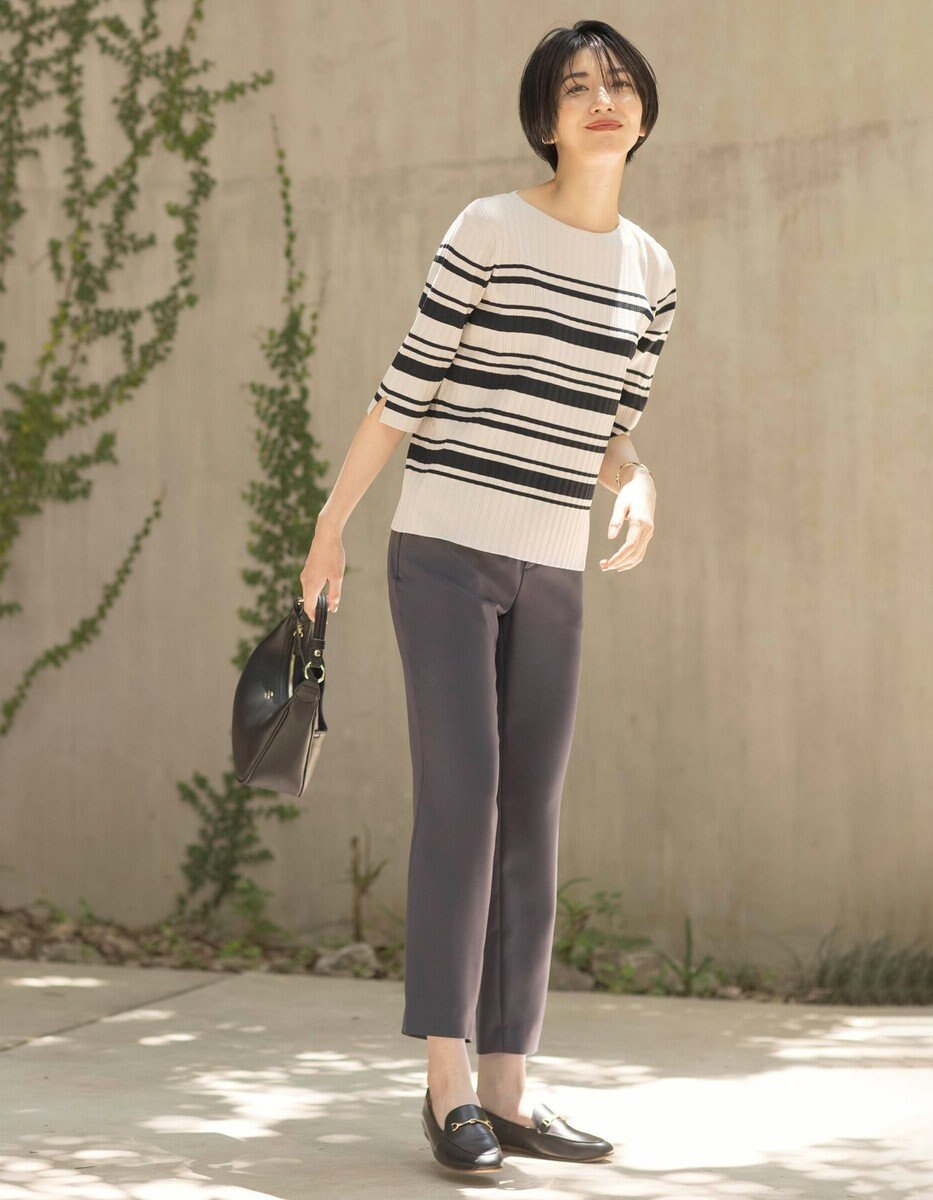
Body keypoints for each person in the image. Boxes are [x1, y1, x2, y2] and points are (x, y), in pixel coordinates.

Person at [300, 18, 677, 1173]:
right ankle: (446, 1084)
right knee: (464, 806)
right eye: (577, 87)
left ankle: (511, 1089)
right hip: (444, 555)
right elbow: (406, 387)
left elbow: (609, 427)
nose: (602, 99)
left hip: (552, 566)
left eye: (619, 83)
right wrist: (330, 525)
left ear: (643, 111)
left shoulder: (653, 274)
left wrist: (639, 478)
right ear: (543, 119)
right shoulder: (488, 229)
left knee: (532, 817)